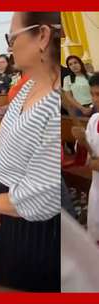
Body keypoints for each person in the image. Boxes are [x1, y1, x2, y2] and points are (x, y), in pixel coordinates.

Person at [0, 12, 61, 291]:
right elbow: (5, 142)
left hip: (31, 225)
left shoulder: (55, 103)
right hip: (5, 206)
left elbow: (45, 191)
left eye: (12, 37)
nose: (9, 46)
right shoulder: (28, 87)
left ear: (43, 36)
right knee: (1, 278)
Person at [72, 72, 99, 244]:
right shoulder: (95, 119)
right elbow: (89, 159)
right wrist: (81, 140)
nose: (95, 99)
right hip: (96, 189)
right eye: (93, 94)